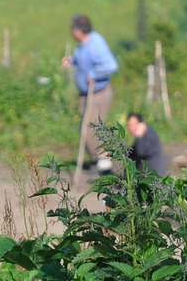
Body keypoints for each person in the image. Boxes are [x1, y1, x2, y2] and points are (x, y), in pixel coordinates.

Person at [61, 14, 118, 173]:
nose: (71, 32)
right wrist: (72, 60)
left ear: (78, 31)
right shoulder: (83, 44)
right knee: (88, 130)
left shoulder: (96, 44)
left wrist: (94, 74)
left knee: (92, 129)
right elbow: (83, 59)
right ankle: (97, 162)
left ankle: (105, 166)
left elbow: (111, 65)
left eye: (72, 29)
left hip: (98, 94)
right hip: (85, 95)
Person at [125, 111, 170, 177]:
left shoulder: (149, 136)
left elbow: (141, 152)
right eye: (129, 125)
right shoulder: (142, 137)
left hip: (154, 178)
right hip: (147, 175)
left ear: (141, 124)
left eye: (134, 124)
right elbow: (132, 153)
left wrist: (138, 135)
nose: (131, 128)